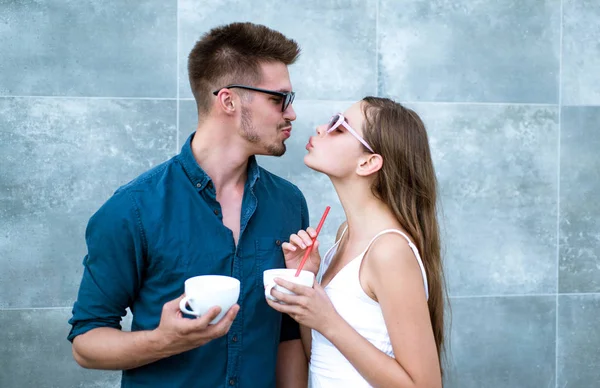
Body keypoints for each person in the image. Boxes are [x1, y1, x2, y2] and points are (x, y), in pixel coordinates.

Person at [68, 22, 315, 388]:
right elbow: (86, 343)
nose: (291, 114)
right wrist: (163, 341)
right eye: (279, 99)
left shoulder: (289, 202)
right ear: (228, 100)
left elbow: (286, 332)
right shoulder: (133, 209)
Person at [267, 97, 447, 387]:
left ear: (368, 162)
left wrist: (328, 320)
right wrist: (308, 283)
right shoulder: (343, 236)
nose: (320, 127)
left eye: (339, 127)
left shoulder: (389, 251)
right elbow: (323, 357)